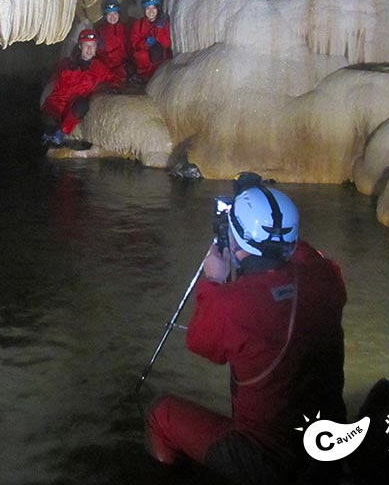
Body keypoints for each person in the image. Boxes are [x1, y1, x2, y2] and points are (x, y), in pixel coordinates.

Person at [146, 175, 347, 485]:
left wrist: (213, 281)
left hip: (269, 461)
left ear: (236, 239)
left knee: (161, 415)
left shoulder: (232, 304)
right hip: (328, 448)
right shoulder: (327, 279)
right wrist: (263, 216)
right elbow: (305, 254)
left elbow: (200, 343)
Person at [40, 28, 113, 146]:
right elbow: (53, 76)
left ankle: (62, 132)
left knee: (82, 105)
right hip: (56, 104)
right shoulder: (66, 63)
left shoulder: (99, 68)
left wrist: (111, 87)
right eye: (86, 46)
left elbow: (112, 79)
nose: (89, 49)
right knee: (49, 125)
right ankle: (51, 132)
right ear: (80, 46)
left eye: (93, 46)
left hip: (75, 106)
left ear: (96, 48)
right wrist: (70, 69)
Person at [129, 0, 171, 81]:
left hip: (159, 59)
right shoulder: (138, 24)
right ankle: (143, 76)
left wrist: (159, 29)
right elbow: (134, 42)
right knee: (141, 55)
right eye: (148, 8)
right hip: (144, 61)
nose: (151, 11)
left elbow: (166, 43)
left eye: (154, 8)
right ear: (144, 10)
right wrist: (146, 43)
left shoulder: (163, 24)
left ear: (157, 9)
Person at [94, 0, 131, 85]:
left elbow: (130, 48)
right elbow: (98, 53)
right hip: (107, 65)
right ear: (105, 16)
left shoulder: (126, 29)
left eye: (115, 13)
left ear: (119, 14)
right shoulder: (100, 31)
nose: (112, 17)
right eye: (109, 14)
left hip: (122, 64)